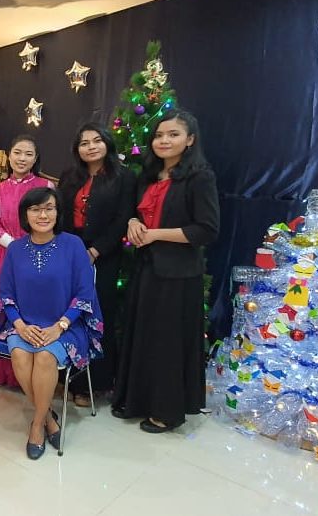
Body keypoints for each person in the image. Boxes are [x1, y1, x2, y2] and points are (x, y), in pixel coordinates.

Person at [112, 109, 219, 433]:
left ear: (190, 140)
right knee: (142, 336)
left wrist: (155, 234)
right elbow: (135, 212)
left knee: (167, 343)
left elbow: (206, 230)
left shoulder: (200, 178)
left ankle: (166, 411)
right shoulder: (148, 176)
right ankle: (135, 401)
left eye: (173, 134)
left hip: (179, 275)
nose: (164, 141)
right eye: (159, 135)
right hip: (146, 268)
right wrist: (133, 221)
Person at [0, 187, 104, 459]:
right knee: (19, 354)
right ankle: (50, 419)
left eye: (49, 208)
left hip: (67, 326)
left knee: (44, 357)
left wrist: (59, 326)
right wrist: (19, 325)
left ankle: (37, 425)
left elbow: (84, 294)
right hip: (24, 324)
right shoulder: (15, 249)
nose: (43, 215)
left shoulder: (73, 245)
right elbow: (5, 295)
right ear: (25, 214)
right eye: (35, 209)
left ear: (57, 212)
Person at [56, 123, 135, 407]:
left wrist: (96, 250)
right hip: (69, 253)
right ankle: (67, 379)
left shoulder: (124, 177)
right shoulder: (69, 176)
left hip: (104, 255)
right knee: (69, 315)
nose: (90, 147)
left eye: (96, 141)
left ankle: (95, 383)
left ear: (107, 143)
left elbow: (123, 217)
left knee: (98, 317)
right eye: (84, 143)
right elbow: (60, 214)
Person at [0, 135, 54, 387]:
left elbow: (51, 220)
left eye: (28, 154)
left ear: (36, 159)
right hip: (5, 256)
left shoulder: (46, 186)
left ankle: (35, 370)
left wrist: (30, 247)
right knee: (4, 308)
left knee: (33, 308)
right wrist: (17, 247)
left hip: (39, 255)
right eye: (17, 152)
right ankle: (3, 369)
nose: (22, 158)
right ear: (9, 155)